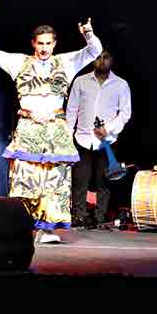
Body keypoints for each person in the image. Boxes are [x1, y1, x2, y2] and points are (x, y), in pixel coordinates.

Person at [0, 8, 102, 244]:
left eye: (48, 43)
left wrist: (88, 34)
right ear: (33, 44)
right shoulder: (19, 62)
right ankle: (22, 226)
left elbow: (94, 51)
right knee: (25, 179)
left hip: (55, 130)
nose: (44, 48)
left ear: (54, 44)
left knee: (55, 181)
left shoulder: (65, 62)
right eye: (40, 43)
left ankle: (47, 230)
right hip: (29, 128)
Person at [66, 48, 132, 228]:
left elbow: (125, 114)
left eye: (106, 57)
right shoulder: (80, 81)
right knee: (80, 180)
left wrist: (108, 128)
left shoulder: (121, 84)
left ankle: (100, 216)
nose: (102, 61)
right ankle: (79, 215)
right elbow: (71, 110)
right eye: (98, 57)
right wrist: (67, 137)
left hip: (107, 141)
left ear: (112, 59)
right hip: (82, 138)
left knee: (104, 181)